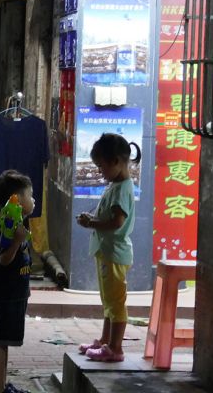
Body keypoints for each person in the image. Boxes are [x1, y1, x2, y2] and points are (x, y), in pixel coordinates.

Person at [76, 133, 141, 362]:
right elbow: (109, 215)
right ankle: (106, 342)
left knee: (116, 303)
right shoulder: (116, 185)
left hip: (115, 253)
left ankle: (115, 348)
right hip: (107, 252)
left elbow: (116, 222)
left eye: (101, 166)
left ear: (115, 161)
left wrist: (91, 223)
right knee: (109, 302)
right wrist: (92, 218)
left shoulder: (123, 187)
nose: (99, 171)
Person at [0, 170, 35, 393]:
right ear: (16, 199)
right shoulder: (6, 225)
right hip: (6, 294)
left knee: (6, 341)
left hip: (16, 292)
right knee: (0, 341)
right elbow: (3, 260)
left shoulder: (19, 220)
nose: (33, 200)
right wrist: (17, 242)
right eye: (30, 195)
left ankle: (2, 386)